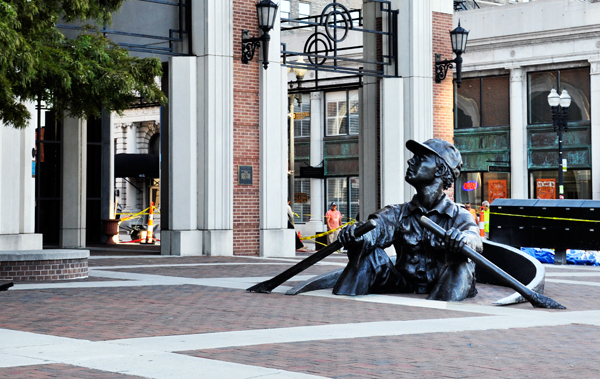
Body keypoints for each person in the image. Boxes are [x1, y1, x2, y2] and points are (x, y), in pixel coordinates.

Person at [333, 139, 483, 302]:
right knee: (368, 255)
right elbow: (376, 228)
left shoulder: (459, 215)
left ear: (440, 169)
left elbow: (474, 238)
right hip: (404, 284)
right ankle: (340, 308)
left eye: (421, 158)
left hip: (445, 284)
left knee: (460, 261)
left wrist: (464, 240)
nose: (411, 161)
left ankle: (439, 316)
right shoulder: (397, 213)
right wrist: (358, 235)